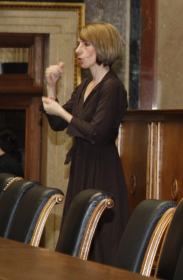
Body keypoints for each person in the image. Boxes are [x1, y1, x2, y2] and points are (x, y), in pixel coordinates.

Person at [41, 22, 130, 265]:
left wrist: (61, 110)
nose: (78, 50)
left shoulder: (112, 87)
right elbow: (58, 124)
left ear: (103, 47)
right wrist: (51, 88)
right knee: (77, 239)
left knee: (100, 241)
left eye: (85, 44)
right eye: (79, 44)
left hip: (103, 170)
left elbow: (97, 133)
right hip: (82, 167)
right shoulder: (84, 87)